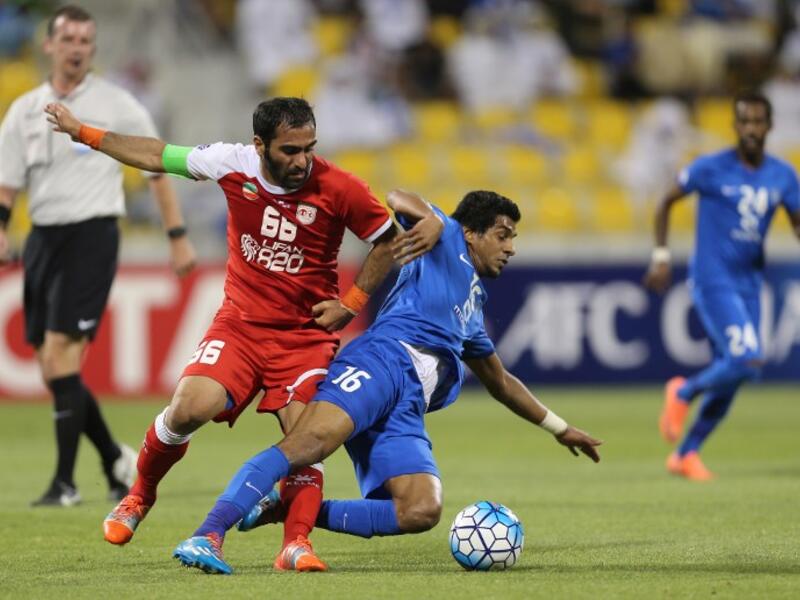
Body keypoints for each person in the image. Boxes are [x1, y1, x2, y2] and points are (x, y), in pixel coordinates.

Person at [43, 96, 443, 571]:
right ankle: (139, 496)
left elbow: (386, 241)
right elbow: (157, 154)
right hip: (241, 326)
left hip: (304, 337)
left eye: (309, 148)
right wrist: (84, 132)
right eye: (290, 150)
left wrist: (351, 303)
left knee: (307, 437)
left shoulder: (340, 187)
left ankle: (296, 543)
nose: (302, 161)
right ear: (260, 146)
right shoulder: (232, 163)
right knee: (189, 408)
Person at [170, 189, 603, 575]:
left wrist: (560, 428)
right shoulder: (447, 235)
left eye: (513, 239)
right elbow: (398, 198)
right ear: (472, 233)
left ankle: (284, 508)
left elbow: (502, 382)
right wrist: (432, 220)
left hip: (407, 405)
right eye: (503, 235)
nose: (510, 248)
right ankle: (207, 533)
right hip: (382, 361)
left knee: (421, 509)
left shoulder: (473, 308)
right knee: (308, 444)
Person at [0, 5, 197, 507]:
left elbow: (157, 167)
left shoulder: (117, 104)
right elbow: (7, 183)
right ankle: (115, 460)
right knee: (51, 367)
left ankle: (65, 484)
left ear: (93, 48)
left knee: (63, 354)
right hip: (43, 238)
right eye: (68, 38)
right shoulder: (24, 110)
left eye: (86, 40)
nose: (77, 47)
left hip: (92, 235)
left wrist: (176, 234)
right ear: (49, 45)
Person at [644, 90, 800, 481]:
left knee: (734, 372)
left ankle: (686, 454)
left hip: (750, 283)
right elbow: (666, 201)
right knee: (747, 359)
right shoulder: (710, 168)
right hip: (714, 279)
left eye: (757, 121)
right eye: (743, 121)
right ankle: (682, 391)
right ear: (735, 126)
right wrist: (662, 257)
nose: (750, 129)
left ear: (769, 125)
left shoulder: (783, 175)